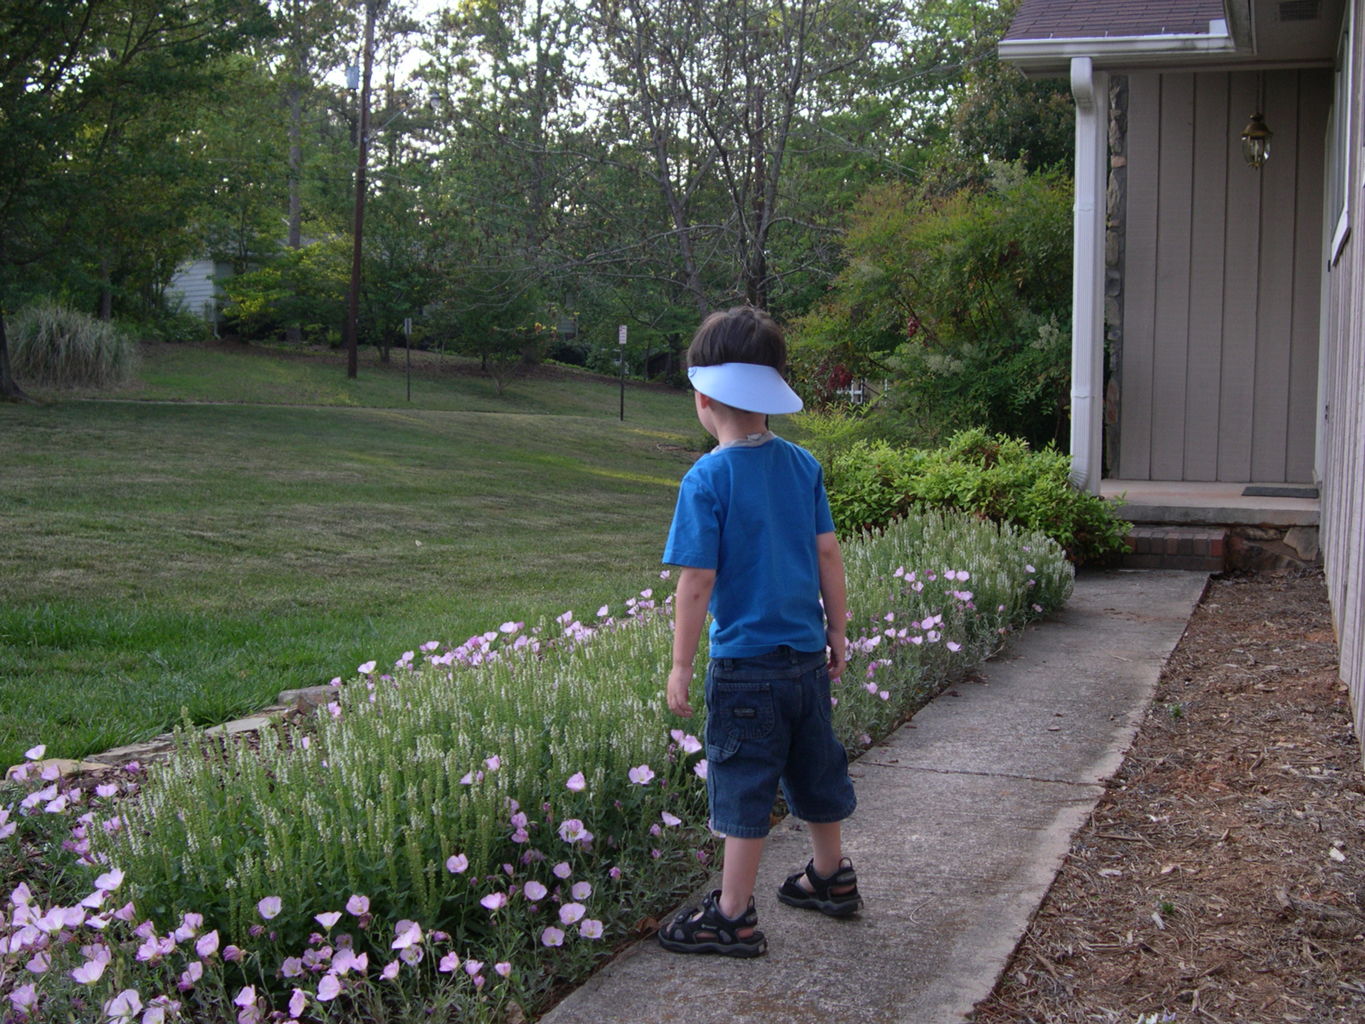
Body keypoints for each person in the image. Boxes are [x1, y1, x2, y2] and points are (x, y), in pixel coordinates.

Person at [657, 305, 861, 959]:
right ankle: (829, 878)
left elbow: (696, 583)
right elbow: (828, 554)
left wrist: (681, 665)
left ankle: (732, 914)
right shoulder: (801, 465)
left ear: (703, 396)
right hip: (804, 661)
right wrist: (837, 631)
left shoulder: (707, 478)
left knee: (743, 783)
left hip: (746, 668)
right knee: (813, 768)